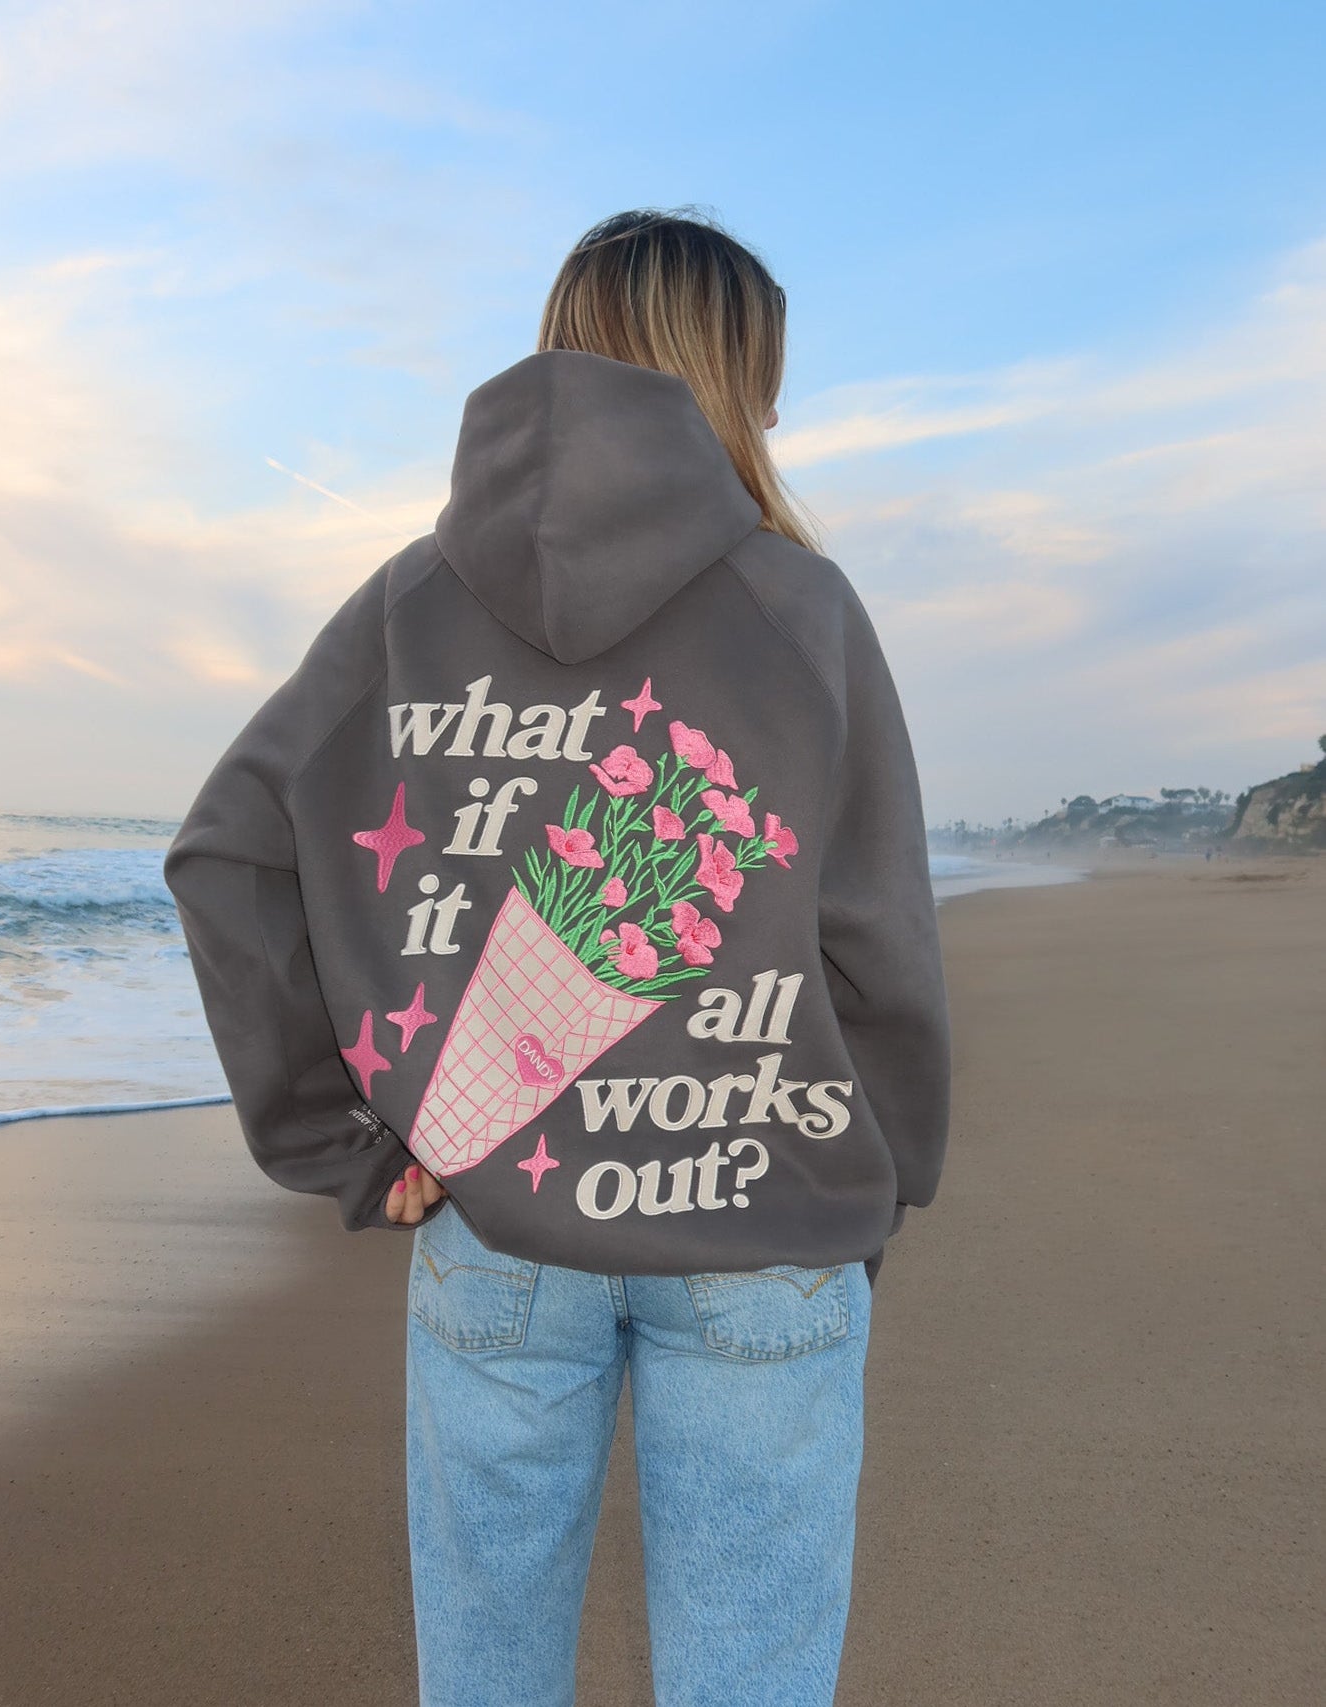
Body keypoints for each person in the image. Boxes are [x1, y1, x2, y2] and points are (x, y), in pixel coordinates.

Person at [163, 206, 952, 1707]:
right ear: (729, 382)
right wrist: (884, 1177)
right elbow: (875, 934)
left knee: (486, 1681)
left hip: (499, 1226)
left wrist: (344, 1135)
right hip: (766, 1222)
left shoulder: (406, 605)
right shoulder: (802, 611)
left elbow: (229, 858)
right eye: (767, 383)